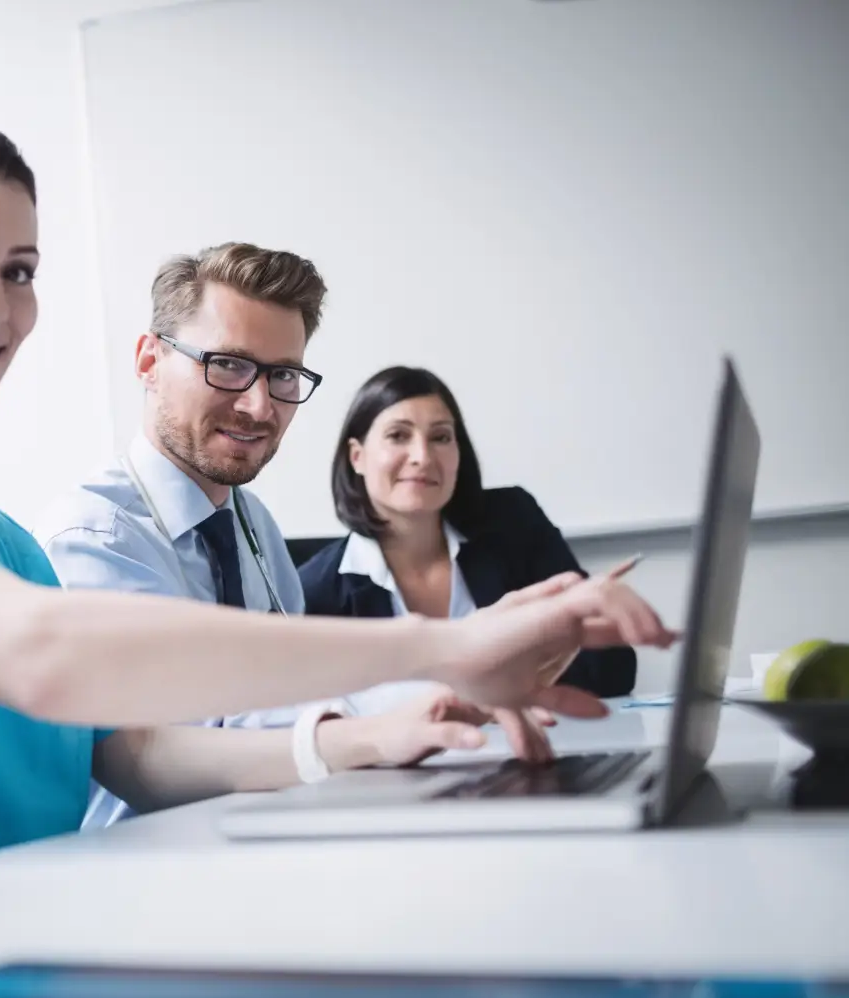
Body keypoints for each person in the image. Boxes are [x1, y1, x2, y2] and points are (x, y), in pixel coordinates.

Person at [0, 117, 674, 872]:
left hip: (41, 930)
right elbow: (43, 658)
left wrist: (375, 735)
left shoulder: (3, 545)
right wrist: (449, 646)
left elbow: (140, 758)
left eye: (21, 269)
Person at [36, 243, 573, 828]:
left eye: (283, 375)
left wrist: (452, 688)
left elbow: (280, 701)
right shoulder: (97, 536)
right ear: (148, 362)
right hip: (149, 860)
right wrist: (437, 677)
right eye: (228, 364)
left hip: (266, 829)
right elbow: (184, 744)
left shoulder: (255, 524)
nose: (258, 405)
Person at [297, 366, 639, 712]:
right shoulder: (315, 591)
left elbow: (612, 670)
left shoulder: (513, 522)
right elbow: (314, 719)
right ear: (357, 457)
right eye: (398, 435)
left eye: (441, 437)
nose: (422, 456)